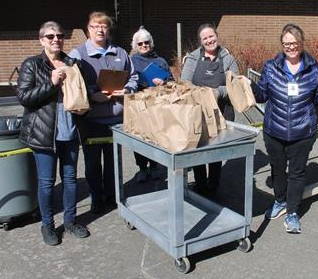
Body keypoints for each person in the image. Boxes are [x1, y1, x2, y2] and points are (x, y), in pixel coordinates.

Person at [252, 23, 318, 233]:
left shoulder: (314, 68)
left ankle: (292, 212)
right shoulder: (271, 66)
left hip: (303, 131)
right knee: (278, 170)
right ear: (282, 44)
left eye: (294, 43)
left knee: (297, 173)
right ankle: (280, 201)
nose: (290, 47)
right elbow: (262, 95)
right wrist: (250, 87)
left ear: (301, 43)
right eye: (286, 43)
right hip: (274, 130)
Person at [16, 21, 90, 246]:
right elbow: (24, 97)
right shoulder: (32, 64)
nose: (56, 39)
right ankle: (47, 225)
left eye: (59, 35)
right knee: (47, 183)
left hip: (70, 131)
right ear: (41, 40)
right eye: (50, 36)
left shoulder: (72, 63)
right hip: (44, 133)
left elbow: (81, 94)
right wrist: (51, 83)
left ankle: (70, 221)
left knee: (70, 181)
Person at [69, 12, 138, 214]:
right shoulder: (78, 54)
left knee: (113, 161)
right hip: (91, 119)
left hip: (117, 118)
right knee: (92, 162)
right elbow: (73, 85)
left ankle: (112, 195)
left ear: (108, 30)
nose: (100, 30)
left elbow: (133, 76)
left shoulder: (120, 53)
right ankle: (96, 198)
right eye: (95, 26)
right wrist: (92, 95)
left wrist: (128, 89)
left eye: (104, 26)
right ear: (87, 29)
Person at [181, 23, 239, 195]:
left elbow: (235, 85)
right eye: (205, 38)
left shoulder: (228, 58)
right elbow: (185, 82)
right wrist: (201, 94)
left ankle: (213, 185)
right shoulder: (192, 58)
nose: (209, 40)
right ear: (200, 41)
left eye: (211, 36)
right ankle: (200, 184)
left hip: (222, 111)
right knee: (198, 148)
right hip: (198, 111)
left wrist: (218, 92)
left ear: (216, 36)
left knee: (216, 150)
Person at [130, 26, 173, 183]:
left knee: (157, 137)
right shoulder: (131, 61)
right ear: (135, 45)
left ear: (151, 43)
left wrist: (164, 82)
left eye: (146, 42)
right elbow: (127, 80)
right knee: (140, 138)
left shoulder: (160, 61)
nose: (143, 46)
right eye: (140, 43)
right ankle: (142, 167)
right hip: (140, 106)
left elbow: (172, 81)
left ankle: (155, 166)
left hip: (159, 106)